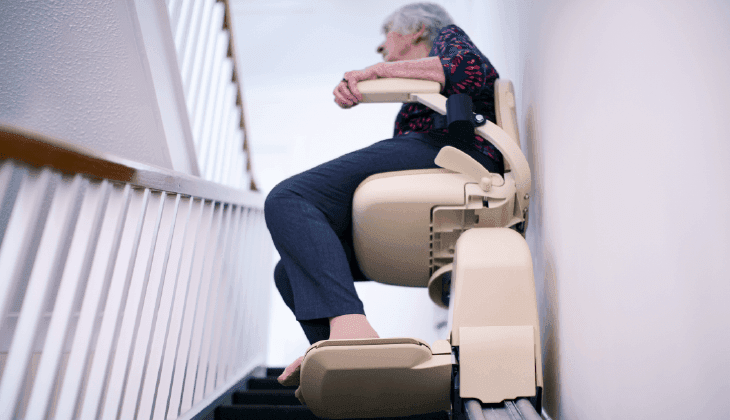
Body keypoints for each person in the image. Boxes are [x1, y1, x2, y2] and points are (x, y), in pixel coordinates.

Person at [264, 2, 502, 386]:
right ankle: (348, 369)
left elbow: (467, 69)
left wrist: (377, 72)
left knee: (289, 198)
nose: (382, 51)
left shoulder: (448, 37)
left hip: (453, 150)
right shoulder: (419, 86)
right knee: (289, 272)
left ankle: (352, 333)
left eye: (385, 40)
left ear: (415, 31)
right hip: (432, 156)